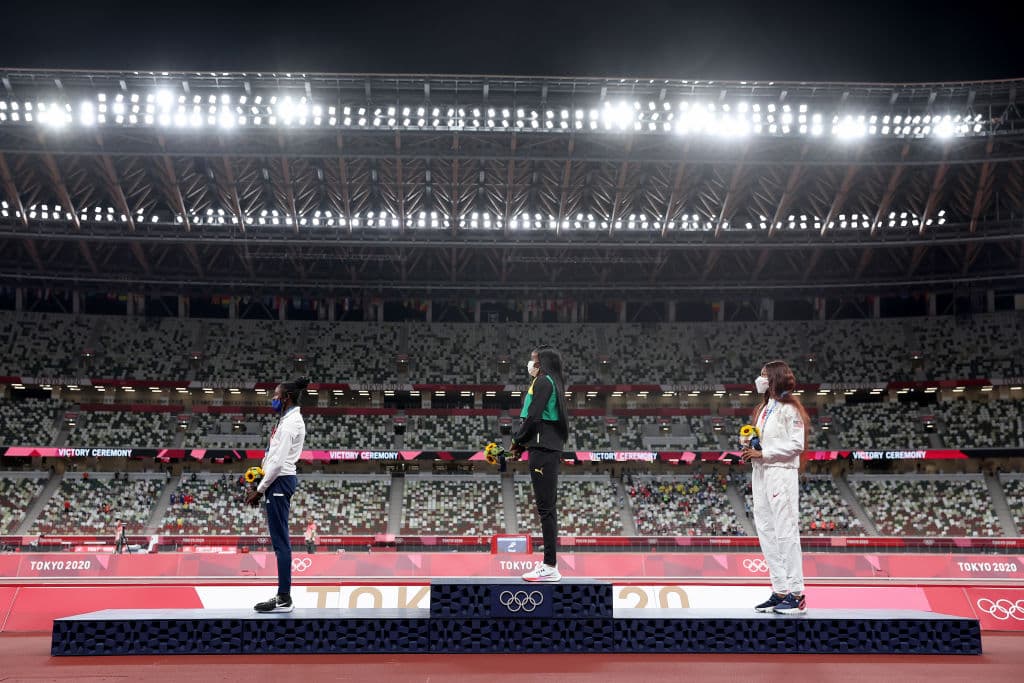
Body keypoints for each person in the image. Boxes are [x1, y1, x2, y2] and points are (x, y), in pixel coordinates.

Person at [742, 360, 810, 615]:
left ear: (774, 378)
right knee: (767, 532)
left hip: (781, 474)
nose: (759, 380)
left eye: (763, 375)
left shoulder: (790, 408)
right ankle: (780, 589)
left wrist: (765, 453)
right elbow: (763, 440)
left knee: (785, 532)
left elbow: (797, 445)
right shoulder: (764, 408)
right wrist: (751, 449)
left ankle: (797, 593)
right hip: (760, 474)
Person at [246, 376, 309, 613]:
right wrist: (260, 481)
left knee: (281, 543)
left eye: (275, 395)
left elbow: (279, 462)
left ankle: (284, 598)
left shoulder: (292, 422)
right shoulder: (285, 419)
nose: (272, 399)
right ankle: (284, 596)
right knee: (279, 543)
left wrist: (260, 490)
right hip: (277, 482)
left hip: (280, 482)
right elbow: (272, 458)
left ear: (286, 397)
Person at [510, 346, 569, 582]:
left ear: (542, 362)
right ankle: (549, 564)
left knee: (546, 508)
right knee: (546, 508)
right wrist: (523, 445)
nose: (530, 363)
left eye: (533, 359)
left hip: (543, 449)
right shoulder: (548, 381)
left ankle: (549, 565)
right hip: (543, 446)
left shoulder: (544, 381)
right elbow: (537, 417)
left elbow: (533, 416)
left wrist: (517, 441)